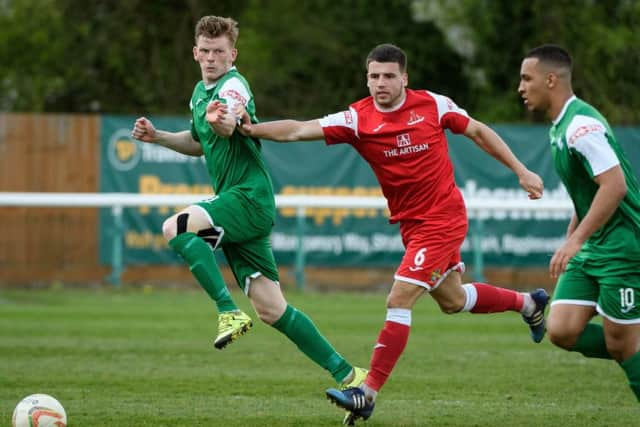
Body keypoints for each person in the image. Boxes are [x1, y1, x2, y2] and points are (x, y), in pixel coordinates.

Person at [213, 43, 548, 424]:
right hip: (412, 225)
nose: (380, 83)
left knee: (399, 298)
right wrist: (253, 129)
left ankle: (366, 392)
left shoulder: (433, 105)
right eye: (374, 76)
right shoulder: (359, 118)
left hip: (443, 218)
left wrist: (521, 170)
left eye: (389, 76)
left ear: (404, 78)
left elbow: (478, 132)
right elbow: (298, 130)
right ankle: (529, 304)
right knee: (453, 299)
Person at [131, 15, 366, 393]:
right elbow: (198, 141)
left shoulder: (234, 85)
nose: (211, 58)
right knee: (273, 309)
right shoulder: (198, 93)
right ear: (195, 52)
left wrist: (223, 118)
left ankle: (227, 311)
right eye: (205, 51)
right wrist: (157, 136)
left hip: (248, 196)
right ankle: (351, 376)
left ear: (232, 54)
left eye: (219, 52)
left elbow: (228, 120)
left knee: (174, 227)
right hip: (240, 205)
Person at [518, 44, 640, 401]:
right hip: (596, 244)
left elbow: (614, 186)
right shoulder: (561, 127)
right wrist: (575, 234)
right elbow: (590, 190)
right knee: (562, 329)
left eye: (527, 79)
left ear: (551, 80)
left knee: (621, 344)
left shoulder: (580, 128)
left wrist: (574, 241)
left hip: (623, 246)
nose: (521, 88)